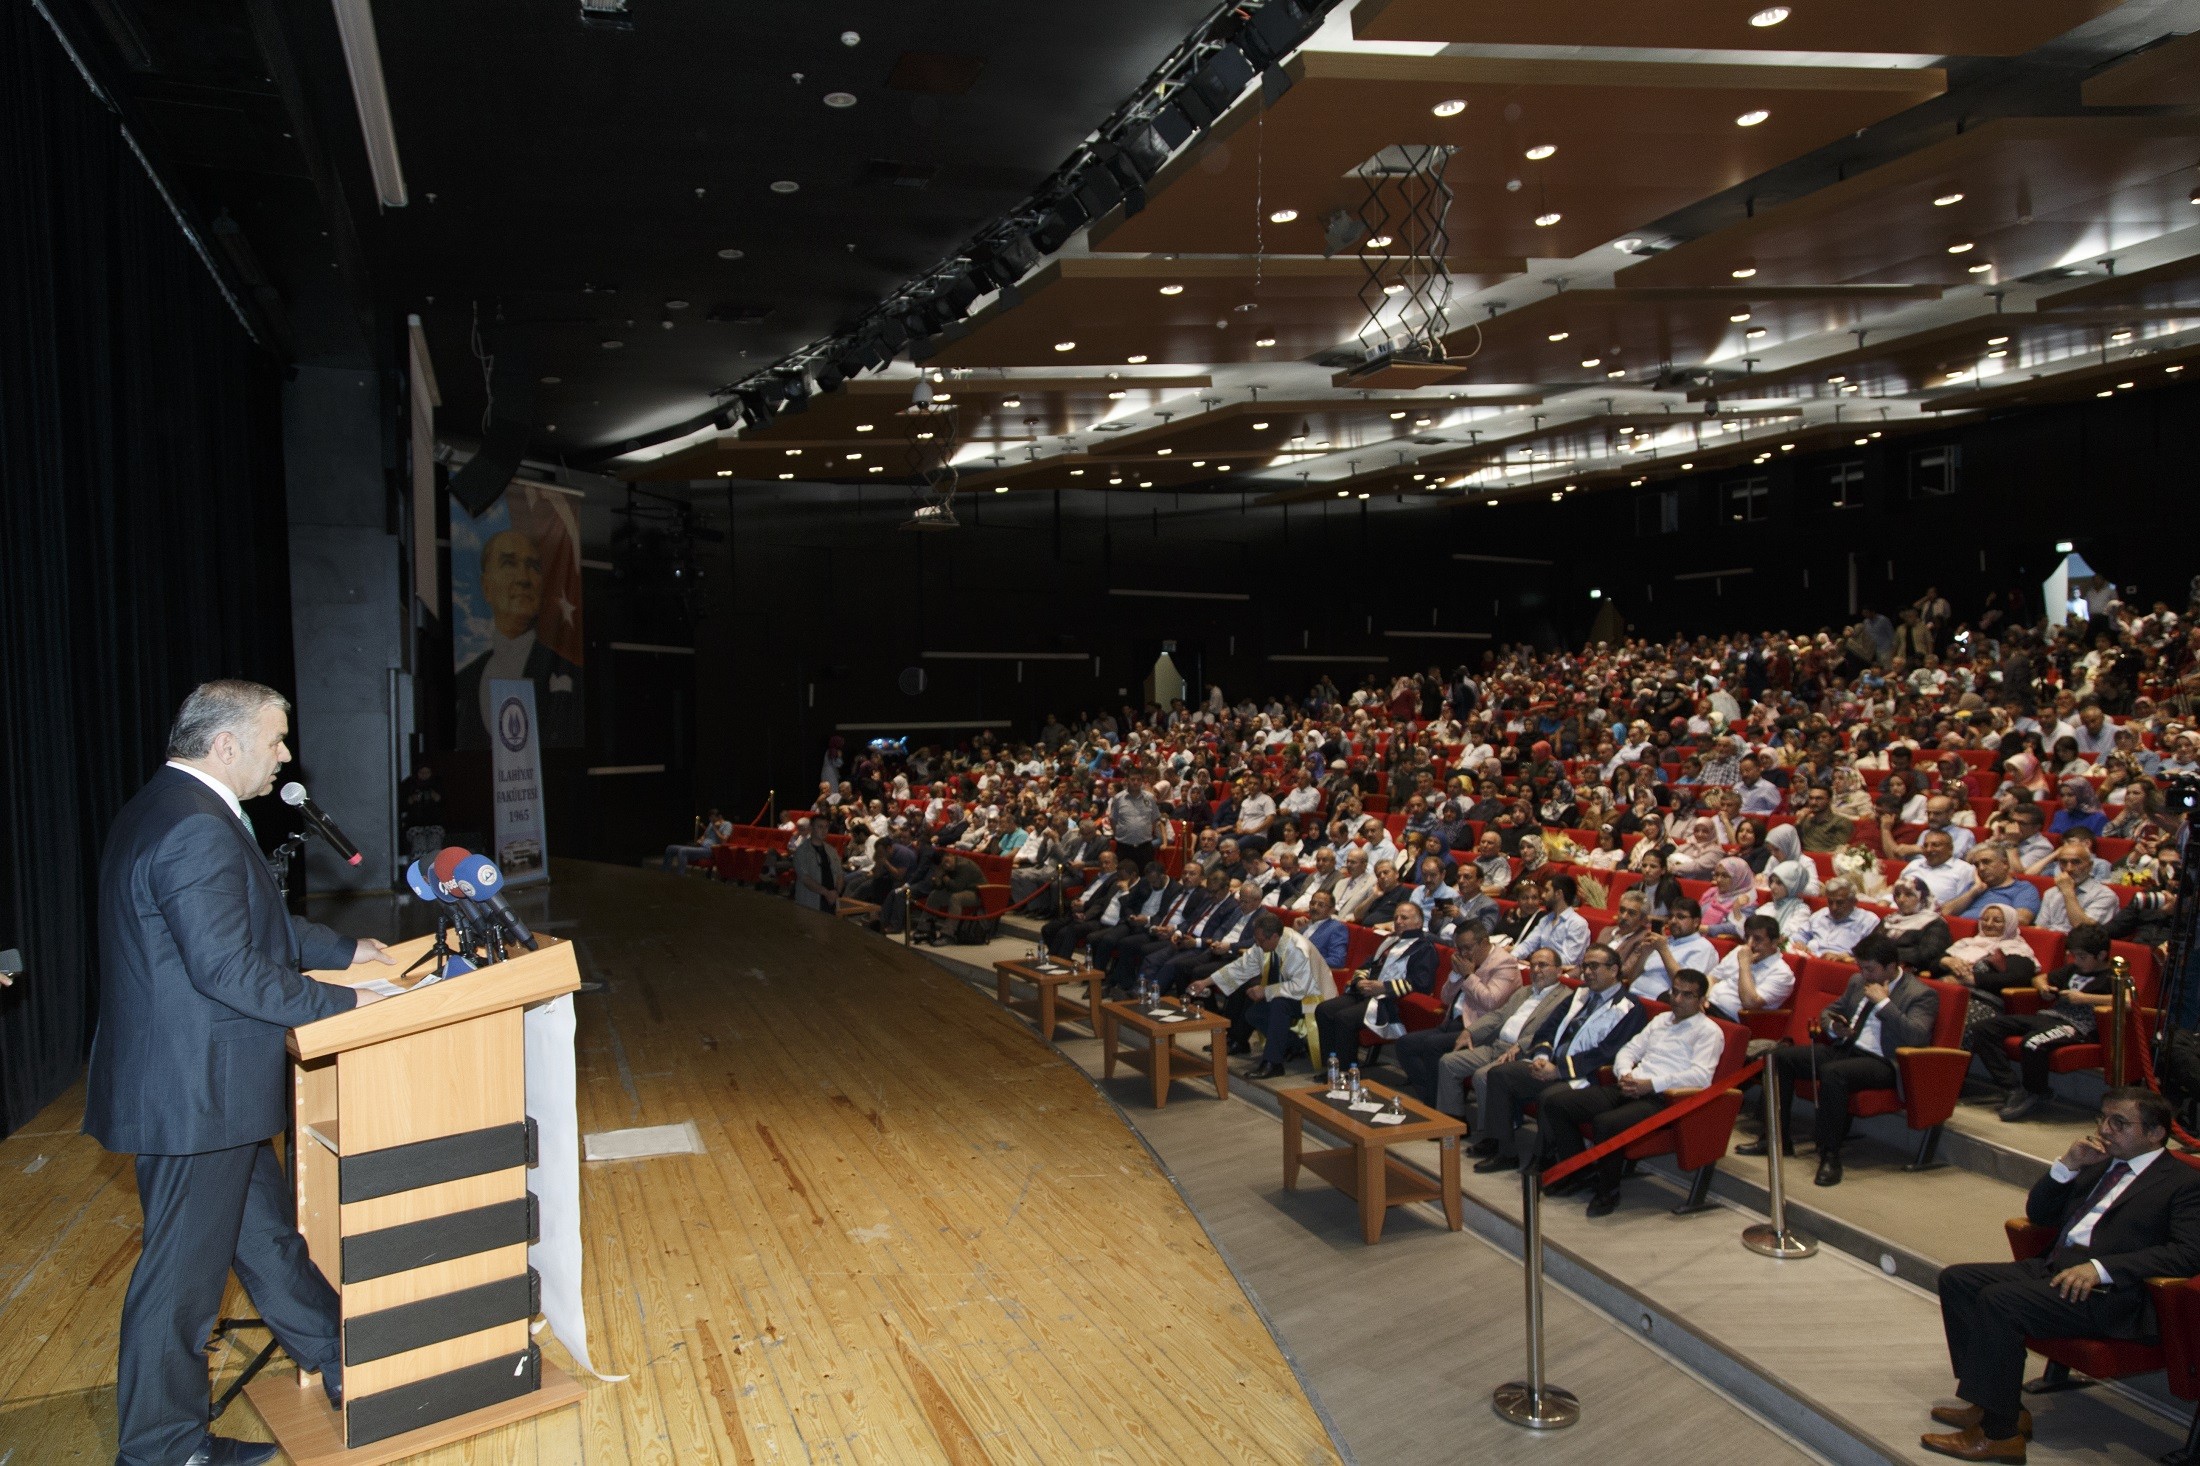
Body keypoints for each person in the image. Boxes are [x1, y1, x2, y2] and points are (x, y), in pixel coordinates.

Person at [86, 681, 393, 1466]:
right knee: (181, 1285)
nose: (287, 754)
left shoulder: (169, 808)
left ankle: (337, 1355)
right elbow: (227, 967)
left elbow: (251, 923)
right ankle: (159, 1450)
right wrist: (342, 1005)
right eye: (277, 739)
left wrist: (342, 950)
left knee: (264, 1242)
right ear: (227, 746)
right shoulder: (196, 828)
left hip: (203, 1087)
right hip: (196, 1092)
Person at [1927, 1088, 2200, 1462]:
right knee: (1958, 1280)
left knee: (1999, 1302)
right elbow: (2039, 1215)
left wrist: (2102, 1269)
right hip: (2054, 1268)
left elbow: (2187, 1254)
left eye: (2118, 1123)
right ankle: (1990, 1401)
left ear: (2155, 1133)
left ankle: (2000, 1434)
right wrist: (2067, 1165)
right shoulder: (2101, 1161)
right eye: (2102, 1119)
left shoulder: (2183, 1182)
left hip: (2115, 1295)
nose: (2105, 1129)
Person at [1745, 933, 1938, 1186]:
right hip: (1846, 1046)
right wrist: (1835, 1026)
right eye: (1861, 967)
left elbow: (1917, 1036)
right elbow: (1830, 1011)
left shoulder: (1920, 994)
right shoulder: (1858, 981)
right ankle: (1775, 1138)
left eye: (1870, 969)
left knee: (1834, 1073)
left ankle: (1830, 1155)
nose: (1864, 974)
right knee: (1779, 1057)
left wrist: (1884, 1004)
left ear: (1892, 967)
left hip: (1884, 1061)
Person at [1539, 967, 1725, 1217]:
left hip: (1665, 1099)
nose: (1677, 1000)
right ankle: (1579, 1172)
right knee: (1557, 1103)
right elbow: (1629, 1050)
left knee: (1606, 1123)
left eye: (1687, 995)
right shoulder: (1661, 1020)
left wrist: (1652, 1084)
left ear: (1702, 1000)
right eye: (1675, 992)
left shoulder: (1709, 1032)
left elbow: (1701, 1077)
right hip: (1630, 1085)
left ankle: (1608, 1192)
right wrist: (1625, 1072)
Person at [1472, 945, 1648, 1174]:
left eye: (1594, 966)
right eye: (1585, 966)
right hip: (1551, 1065)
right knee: (1499, 1074)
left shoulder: (1630, 1008)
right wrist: (1542, 1058)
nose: (1587, 972)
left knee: (1550, 1096)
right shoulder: (1579, 994)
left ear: (1614, 970)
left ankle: (1543, 1158)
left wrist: (1559, 1070)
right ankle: (1504, 1150)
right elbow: (1547, 1029)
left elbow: (1606, 1053)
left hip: (1586, 1077)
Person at [1968, 927, 2120, 1121]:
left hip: (2078, 1026)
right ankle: (2013, 1088)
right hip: (2049, 1016)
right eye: (2074, 955)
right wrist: (2043, 988)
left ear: (2101, 955)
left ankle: (2036, 1091)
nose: (2077, 960)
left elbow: (2127, 1001)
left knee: (2033, 1043)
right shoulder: (2073, 969)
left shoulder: (2114, 975)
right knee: (1983, 1028)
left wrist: (2084, 998)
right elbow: (2039, 977)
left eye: (2082, 956)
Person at [455, 527, 584, 748]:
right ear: (486, 587)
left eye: (533, 567)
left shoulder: (571, 676)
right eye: (509, 563)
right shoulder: (463, 682)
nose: (524, 579)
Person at [1422, 947, 1574, 1119]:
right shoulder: (1524, 991)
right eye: (1532, 965)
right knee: (1449, 1062)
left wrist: (1522, 1044)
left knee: (1483, 1076)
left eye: (1543, 965)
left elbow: (1555, 1031)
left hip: (1521, 1053)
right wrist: (1470, 1031)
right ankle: (1453, 1122)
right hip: (1496, 1045)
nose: (1536, 970)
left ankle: (1490, 1135)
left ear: (1559, 970)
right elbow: (1498, 1015)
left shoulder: (1565, 998)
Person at [1390, 922, 1521, 1102]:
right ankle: (1433, 1098)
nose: (1463, 953)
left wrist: (1468, 975)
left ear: (1483, 943)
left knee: (1432, 1045)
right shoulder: (1465, 961)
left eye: (1467, 948)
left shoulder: (1505, 964)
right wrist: (1456, 975)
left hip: (1480, 1029)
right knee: (1405, 1044)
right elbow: (1445, 998)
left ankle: (1437, 1105)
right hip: (1453, 1022)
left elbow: (1491, 1002)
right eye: (1459, 948)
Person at [1189, 912, 1331, 1078]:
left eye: (1261, 941)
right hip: (1289, 992)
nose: (1257, 944)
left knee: (1279, 1005)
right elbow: (1241, 967)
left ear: (1274, 937)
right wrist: (1205, 982)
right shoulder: (1267, 943)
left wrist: (1265, 991)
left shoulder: (1297, 949)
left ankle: (1273, 1063)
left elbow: (1300, 987)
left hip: (1315, 997)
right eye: (1256, 939)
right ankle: (1295, 1045)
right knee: (1254, 1014)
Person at [1313, 900, 1439, 1069]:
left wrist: (1384, 987)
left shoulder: (1424, 948)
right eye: (1396, 918)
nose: (1398, 921)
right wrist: (1360, 982)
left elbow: (1422, 984)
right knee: (1323, 1009)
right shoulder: (1390, 940)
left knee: (1345, 1018)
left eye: (1404, 918)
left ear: (1418, 922)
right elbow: (1366, 966)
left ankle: (1347, 1072)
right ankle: (1330, 1068)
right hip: (1365, 993)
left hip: (1388, 1001)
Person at [1704, 915, 1797, 1022]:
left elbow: (1749, 1003)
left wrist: (1744, 965)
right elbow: (1712, 978)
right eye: (1747, 937)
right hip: (1706, 1007)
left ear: (1774, 942)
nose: (1749, 944)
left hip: (1729, 1019)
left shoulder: (1782, 974)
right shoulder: (1740, 950)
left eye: (1757, 939)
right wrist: (1703, 999)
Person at [2038, 842, 2118, 932]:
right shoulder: (2051, 893)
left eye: (2076, 862)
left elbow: (2083, 930)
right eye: (2063, 862)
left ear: (2090, 866)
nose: (2069, 869)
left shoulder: (2105, 895)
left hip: (2082, 944)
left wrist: (2068, 892)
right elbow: (2041, 929)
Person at [663, 806, 733, 874]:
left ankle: (680, 876)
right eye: (710, 818)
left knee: (682, 851)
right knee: (670, 848)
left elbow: (724, 841)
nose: (711, 820)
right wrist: (700, 840)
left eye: (713, 818)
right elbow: (705, 836)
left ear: (719, 817)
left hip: (710, 849)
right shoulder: (711, 824)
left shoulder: (727, 825)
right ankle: (665, 873)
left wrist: (715, 828)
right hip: (700, 847)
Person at [791, 821, 842, 912]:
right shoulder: (802, 851)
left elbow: (839, 874)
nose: (824, 830)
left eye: (826, 827)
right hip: (810, 901)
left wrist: (836, 892)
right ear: (811, 829)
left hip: (831, 900)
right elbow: (804, 877)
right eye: (820, 827)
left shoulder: (831, 850)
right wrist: (826, 893)